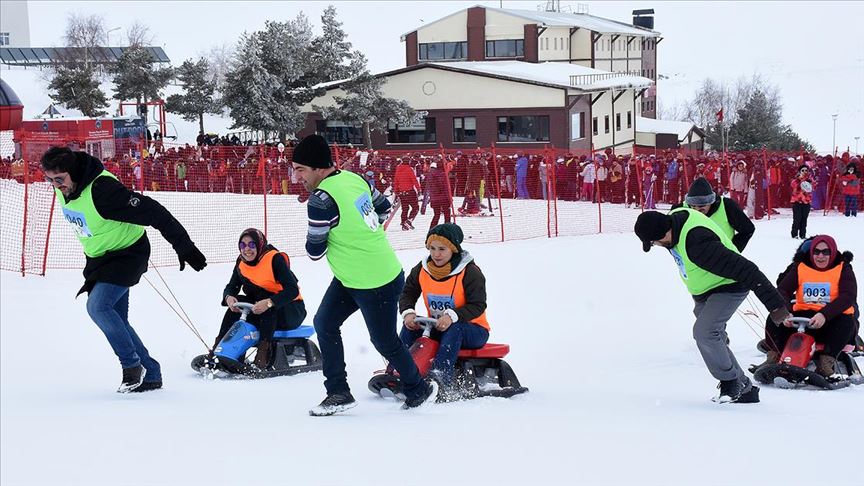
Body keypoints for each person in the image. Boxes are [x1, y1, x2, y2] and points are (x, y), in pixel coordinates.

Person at [40, 147, 207, 393]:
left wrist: (184, 246)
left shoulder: (103, 191)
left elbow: (153, 211)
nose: (55, 185)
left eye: (59, 179)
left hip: (128, 255)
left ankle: (131, 365)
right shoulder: (67, 188)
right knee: (117, 320)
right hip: (99, 261)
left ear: (73, 172)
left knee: (98, 307)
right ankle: (151, 373)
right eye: (49, 180)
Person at [292, 134, 436, 416]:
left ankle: (418, 389)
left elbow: (314, 251)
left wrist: (355, 239)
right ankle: (338, 393)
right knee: (325, 323)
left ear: (319, 168)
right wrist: (364, 233)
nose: (297, 176)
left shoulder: (321, 200)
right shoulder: (355, 179)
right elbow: (382, 209)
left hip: (376, 280)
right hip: (352, 277)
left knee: (384, 342)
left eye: (300, 170)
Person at [634, 208, 790, 403]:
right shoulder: (677, 216)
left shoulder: (699, 244)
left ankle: (729, 382)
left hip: (728, 287)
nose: (656, 245)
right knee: (715, 339)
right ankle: (745, 388)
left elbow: (748, 270)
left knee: (705, 332)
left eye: (654, 242)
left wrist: (776, 306)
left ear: (663, 234)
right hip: (704, 291)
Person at [398, 224, 489, 400]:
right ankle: (399, 371)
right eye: (432, 248)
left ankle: (441, 377)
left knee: (455, 329)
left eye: (442, 249)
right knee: (411, 326)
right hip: (437, 327)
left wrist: (452, 316)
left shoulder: (470, 272)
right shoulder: (423, 269)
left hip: (473, 330)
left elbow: (478, 304)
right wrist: (408, 312)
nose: (436, 254)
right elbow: (408, 292)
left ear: (454, 249)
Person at [758, 235, 857, 379]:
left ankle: (826, 362)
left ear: (833, 252)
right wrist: (786, 312)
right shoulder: (801, 266)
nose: (820, 256)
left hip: (829, 319)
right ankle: (774, 355)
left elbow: (848, 295)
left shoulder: (843, 268)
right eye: (816, 252)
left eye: (825, 252)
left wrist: (824, 314)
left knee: (846, 322)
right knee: (775, 316)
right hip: (802, 317)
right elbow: (782, 290)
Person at [216, 228, 306, 370]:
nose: (247, 249)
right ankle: (220, 351)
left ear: (259, 244)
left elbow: (292, 290)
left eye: (252, 244)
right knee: (237, 305)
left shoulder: (274, 259)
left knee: (267, 306)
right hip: (261, 308)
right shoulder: (241, 262)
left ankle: (264, 355)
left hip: (291, 309)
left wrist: (270, 302)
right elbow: (232, 286)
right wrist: (229, 297)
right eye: (243, 245)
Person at [680, 177, 755, 252]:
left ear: (711, 201)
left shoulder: (727, 206)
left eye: (701, 206)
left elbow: (747, 230)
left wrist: (731, 251)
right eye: (693, 206)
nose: (697, 210)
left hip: (722, 258)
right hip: (693, 259)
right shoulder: (683, 208)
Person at [393, 158, 421, 230]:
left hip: (401, 193)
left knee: (405, 209)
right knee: (415, 208)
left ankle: (403, 224)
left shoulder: (398, 169)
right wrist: (418, 189)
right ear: (409, 162)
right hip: (410, 192)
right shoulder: (409, 169)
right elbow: (414, 180)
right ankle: (409, 221)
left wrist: (396, 191)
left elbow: (396, 181)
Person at [790, 165, 813, 239]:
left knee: (804, 219)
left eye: (806, 170)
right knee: (797, 218)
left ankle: (802, 234)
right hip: (797, 201)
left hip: (806, 202)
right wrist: (799, 179)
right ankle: (794, 234)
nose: (804, 172)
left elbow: (813, 187)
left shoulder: (810, 179)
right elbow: (793, 185)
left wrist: (809, 182)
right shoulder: (795, 180)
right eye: (802, 170)